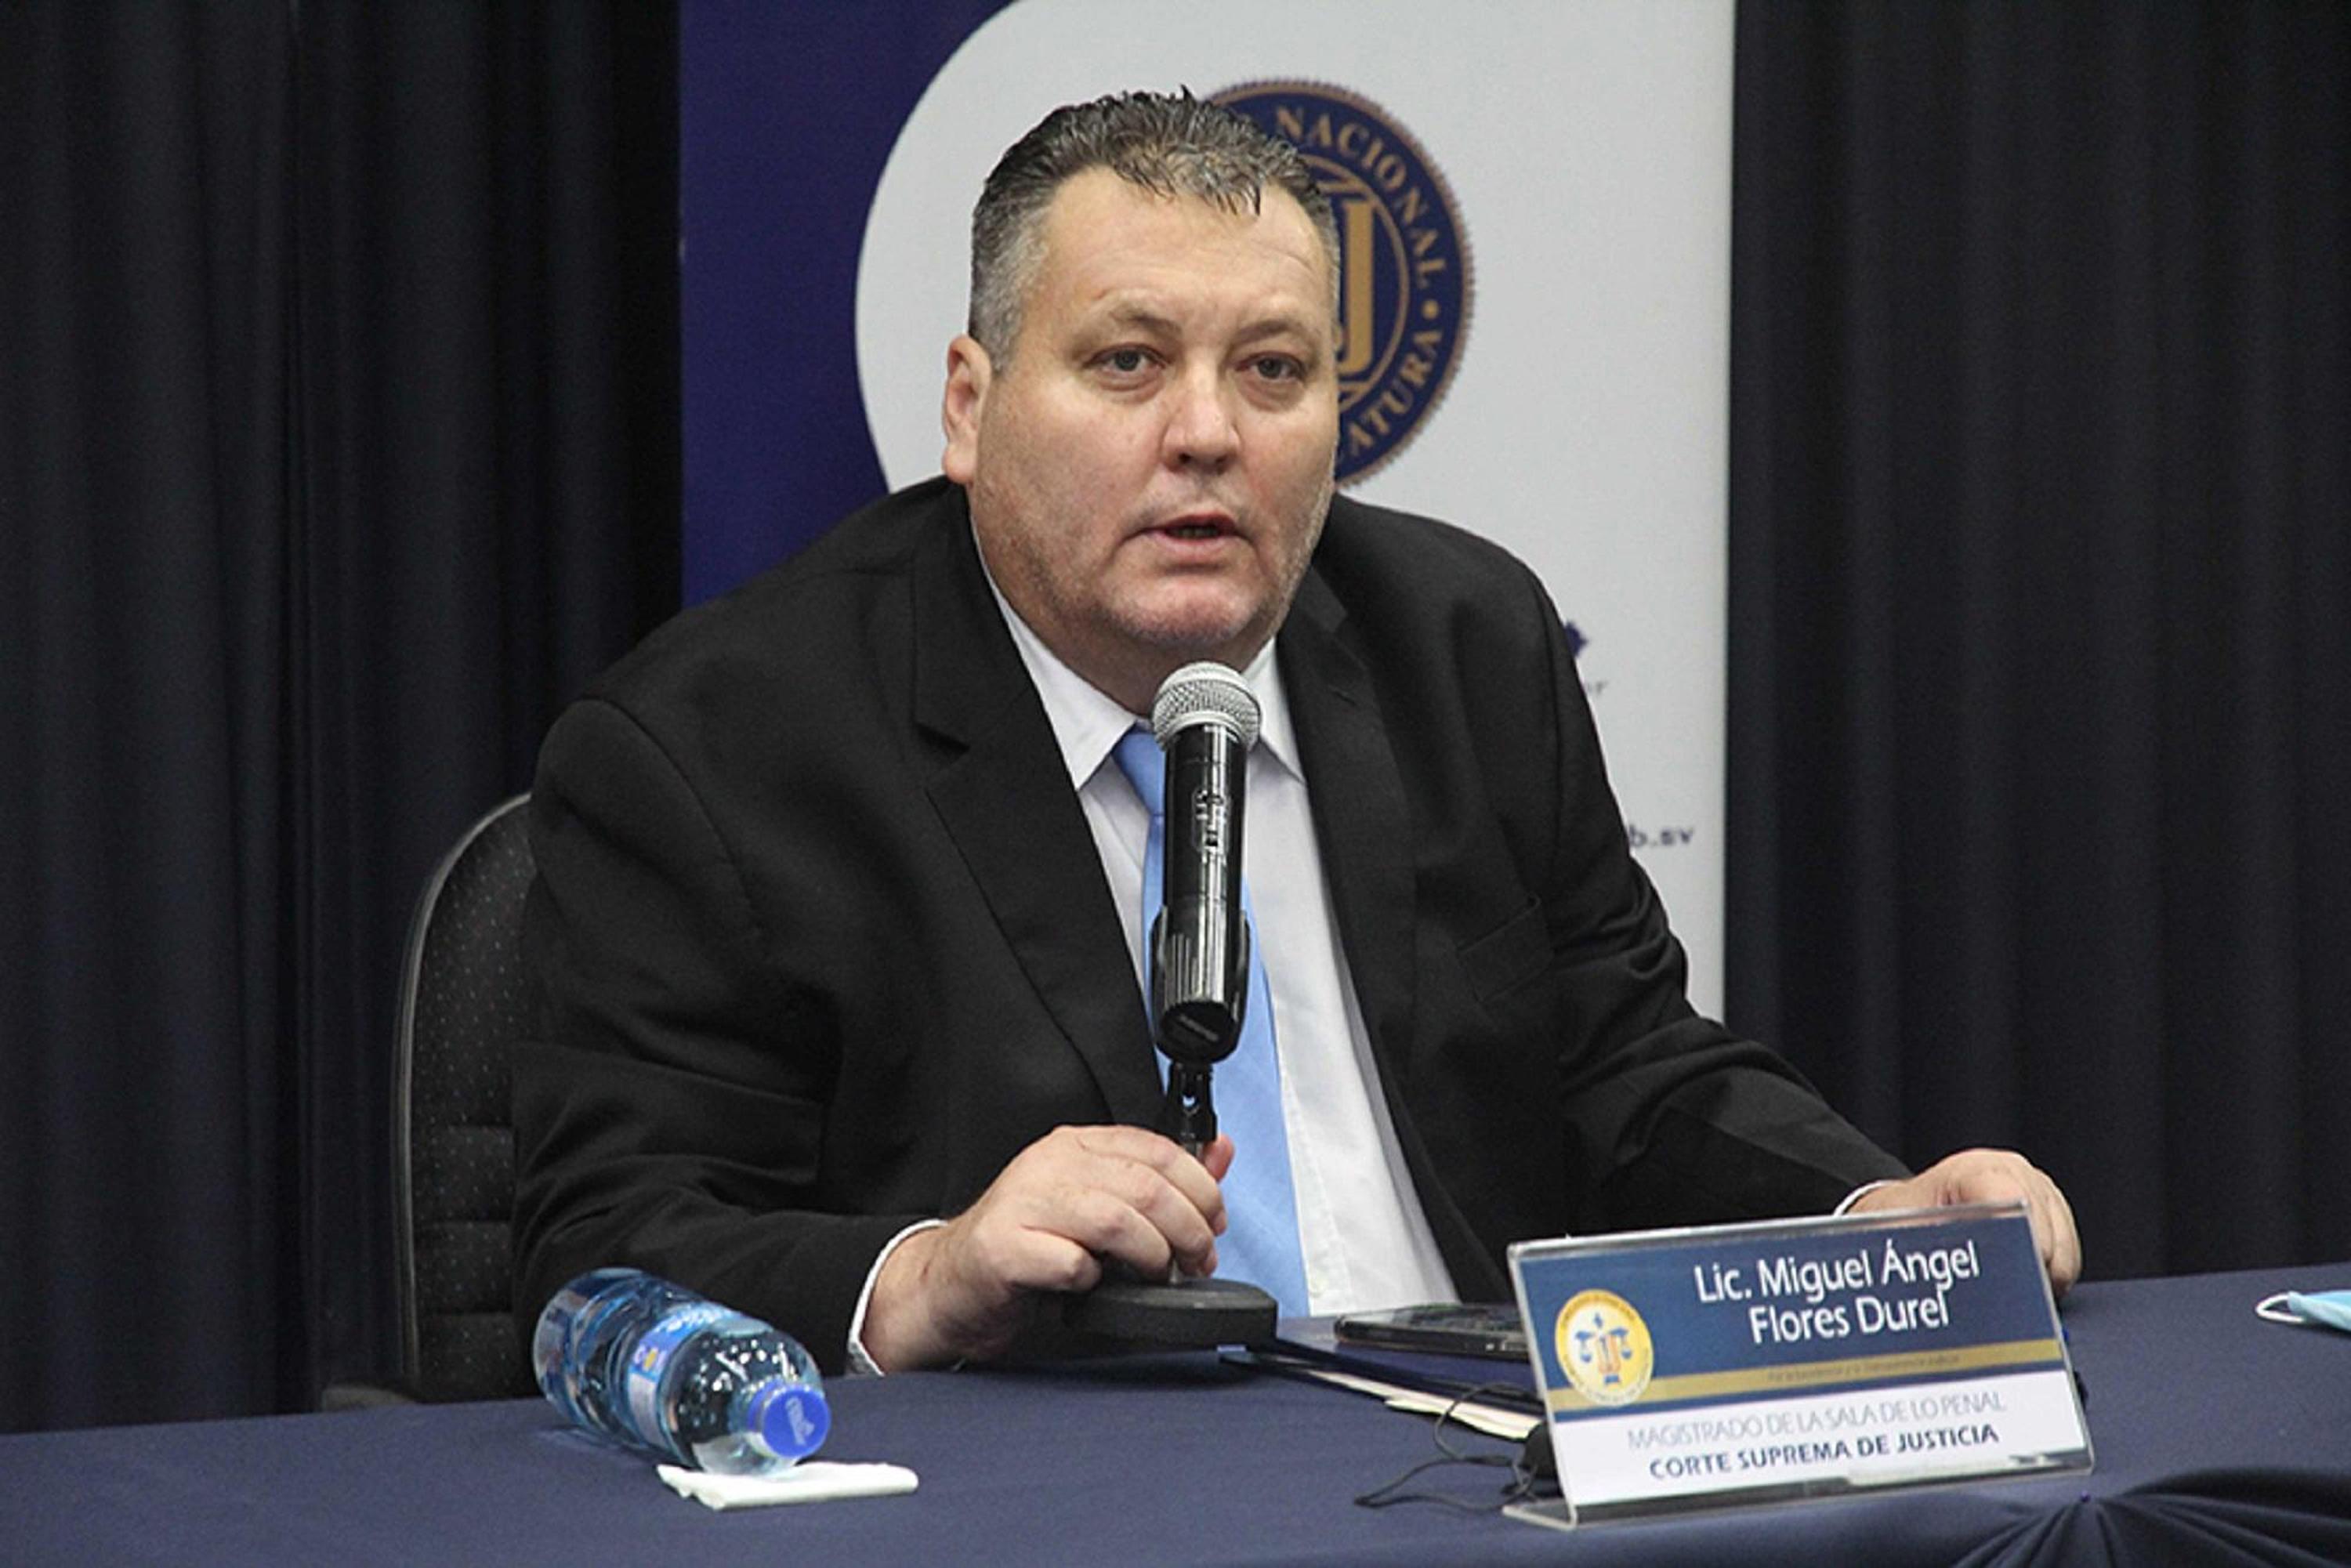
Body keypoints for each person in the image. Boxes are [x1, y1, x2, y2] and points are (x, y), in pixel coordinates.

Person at [511, 91, 2078, 1376]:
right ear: (971, 404)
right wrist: (918, 1274)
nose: (1207, 431)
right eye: (1127, 361)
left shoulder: (1465, 642)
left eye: (1271, 370)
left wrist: (1875, 1208)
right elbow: (613, 1235)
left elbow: (1622, 1066)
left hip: (1481, 1459)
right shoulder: (720, 744)